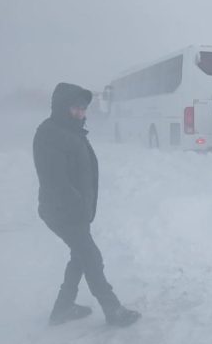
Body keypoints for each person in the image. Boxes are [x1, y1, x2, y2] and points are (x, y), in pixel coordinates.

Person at [33, 82, 141, 327]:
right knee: (91, 257)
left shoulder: (69, 131)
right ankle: (113, 310)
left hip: (74, 211)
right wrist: (79, 204)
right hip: (63, 211)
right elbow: (56, 181)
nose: (81, 113)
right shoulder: (51, 134)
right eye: (75, 108)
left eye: (83, 108)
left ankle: (63, 306)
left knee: (80, 256)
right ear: (62, 108)